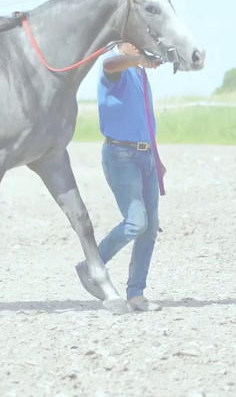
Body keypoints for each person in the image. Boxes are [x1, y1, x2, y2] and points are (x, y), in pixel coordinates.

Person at [75, 41, 166, 312]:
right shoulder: (116, 67)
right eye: (135, 41)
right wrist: (138, 59)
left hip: (146, 155)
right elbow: (109, 64)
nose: (141, 45)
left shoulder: (140, 75)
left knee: (149, 229)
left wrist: (157, 160)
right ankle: (92, 264)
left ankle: (136, 294)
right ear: (124, 42)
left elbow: (146, 120)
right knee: (136, 222)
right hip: (121, 155)